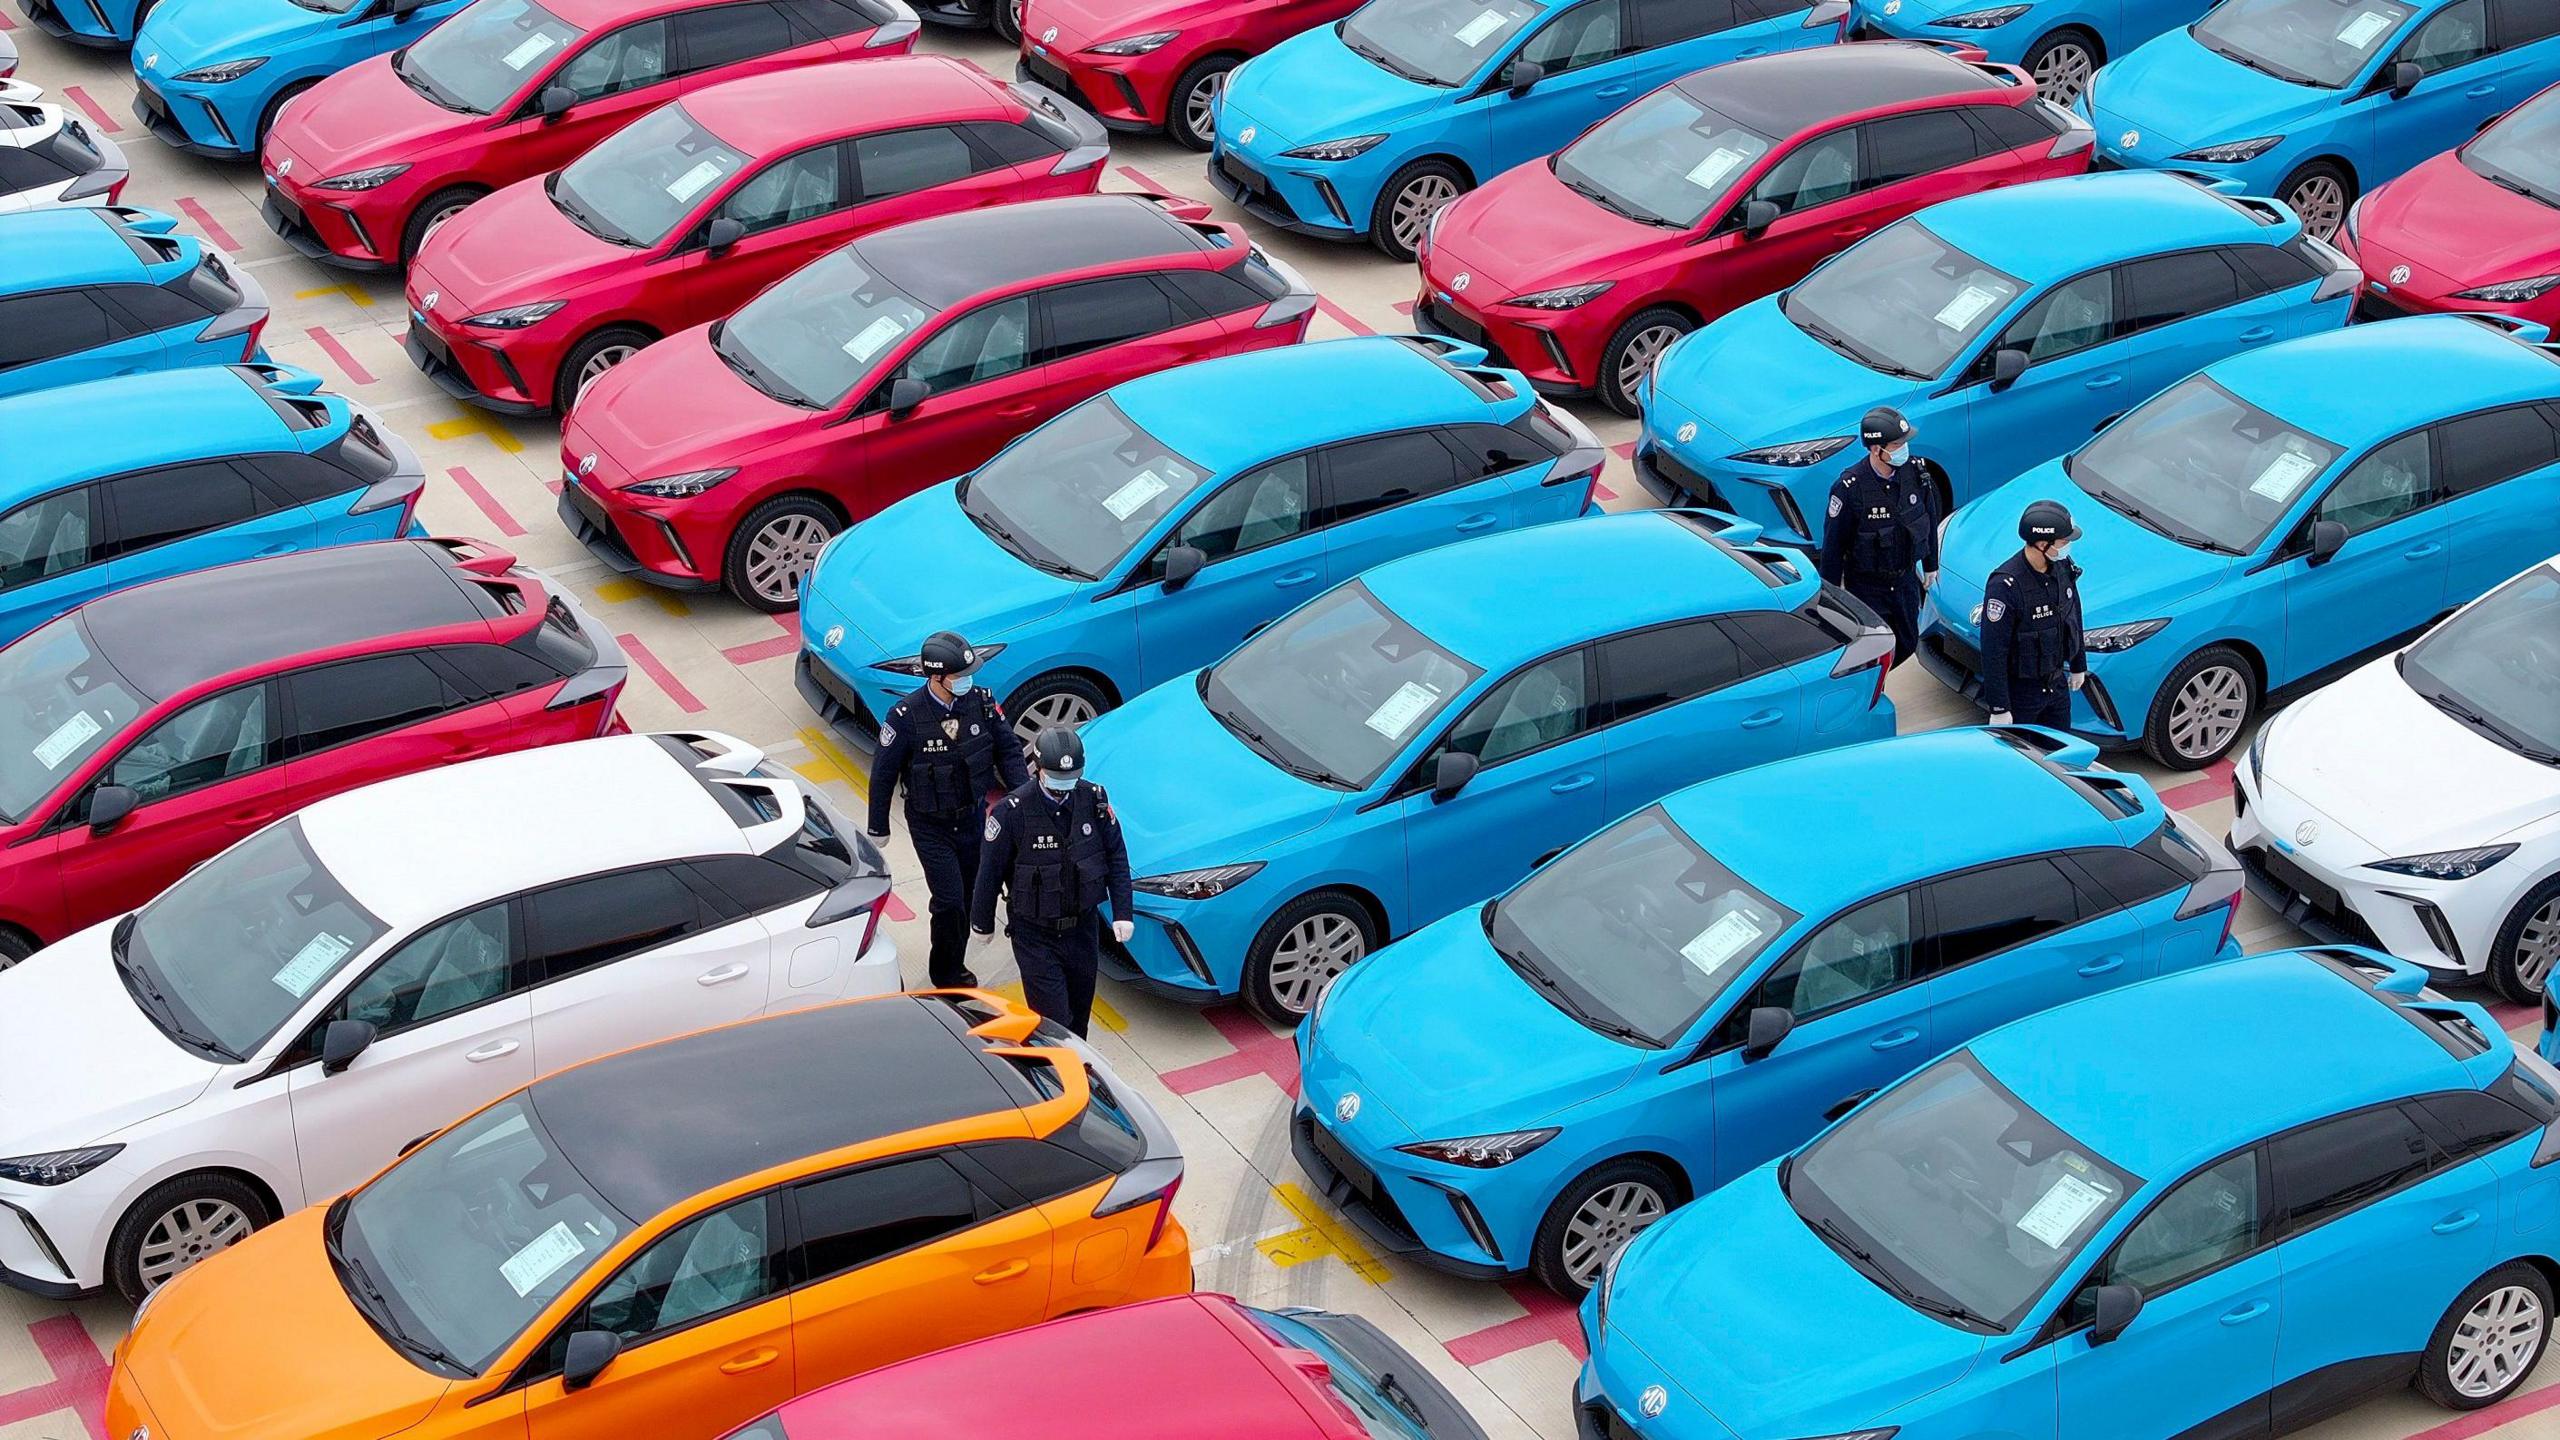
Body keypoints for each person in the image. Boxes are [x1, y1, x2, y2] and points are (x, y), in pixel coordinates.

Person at [866, 631, 1026, 989]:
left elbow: (1009, 751)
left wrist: (1022, 799)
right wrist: (878, 825)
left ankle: (955, 959)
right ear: (936, 677)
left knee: (969, 897)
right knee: (949, 902)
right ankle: (945, 973)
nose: (967, 681)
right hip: (930, 825)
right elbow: (883, 772)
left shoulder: (982, 703)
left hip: (972, 818)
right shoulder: (906, 716)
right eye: (959, 675)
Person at [971, 726, 1133, 1036]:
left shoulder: (1094, 800)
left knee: (1079, 1015)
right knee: (1054, 1024)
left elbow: (1116, 856)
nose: (1064, 786)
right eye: (1057, 776)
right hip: (1035, 935)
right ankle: (1053, 1075)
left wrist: (1123, 912)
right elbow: (989, 872)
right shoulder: (1012, 813)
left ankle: (1078, 1074)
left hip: (1082, 930)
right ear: (1038, 768)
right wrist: (982, 922)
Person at [1816, 405, 1939, 663]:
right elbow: (1833, 546)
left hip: (1904, 579)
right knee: (1872, 653)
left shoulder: (1916, 471)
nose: (1903, 449)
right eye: (1896, 444)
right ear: (1876, 449)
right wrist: (1829, 596)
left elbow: (1929, 517)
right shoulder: (1849, 488)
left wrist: (1931, 565)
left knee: (1907, 643)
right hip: (1867, 586)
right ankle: (1872, 689)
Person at [1979, 499, 2087, 731]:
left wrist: (2079, 664)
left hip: (2056, 686)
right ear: (2041, 544)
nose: (2067, 546)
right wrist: (1999, 707)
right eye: (2063, 541)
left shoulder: (2062, 567)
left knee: (2058, 754)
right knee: (2022, 760)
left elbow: (2074, 614)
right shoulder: (2006, 585)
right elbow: (1994, 650)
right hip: (2021, 695)